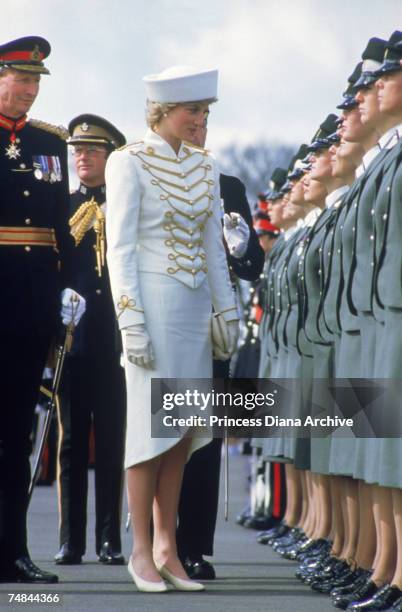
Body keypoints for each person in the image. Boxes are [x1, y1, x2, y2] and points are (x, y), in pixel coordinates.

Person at [105, 65, 239, 593]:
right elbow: (120, 251)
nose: (200, 121)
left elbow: (213, 249)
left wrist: (226, 312)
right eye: (192, 111)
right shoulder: (127, 163)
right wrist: (130, 321)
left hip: (192, 312)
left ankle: (167, 546)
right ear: (162, 112)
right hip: (152, 310)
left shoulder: (206, 168)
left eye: (205, 112)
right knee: (148, 433)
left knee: (181, 433)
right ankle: (139, 551)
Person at [0, 36, 85, 583]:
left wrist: (72, 283)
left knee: (18, 434)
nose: (29, 90)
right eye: (20, 79)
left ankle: (12, 551)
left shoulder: (49, 144)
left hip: (31, 308)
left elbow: (63, 232)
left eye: (35, 82)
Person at [176, 122, 265, 580]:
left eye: (202, 123)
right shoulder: (149, 180)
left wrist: (243, 248)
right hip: (167, 319)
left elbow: (252, 268)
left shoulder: (227, 186)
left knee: (205, 441)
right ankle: (160, 542)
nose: (196, 131)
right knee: (165, 436)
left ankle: (193, 546)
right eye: (188, 122)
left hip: (212, 324)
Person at [55, 115, 127, 566]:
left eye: (93, 151)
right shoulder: (60, 209)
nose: (83, 157)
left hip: (117, 343)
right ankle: (71, 539)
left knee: (113, 441)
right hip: (74, 339)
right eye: (78, 150)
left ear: (110, 157)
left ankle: (109, 539)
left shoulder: (125, 207)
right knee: (72, 443)